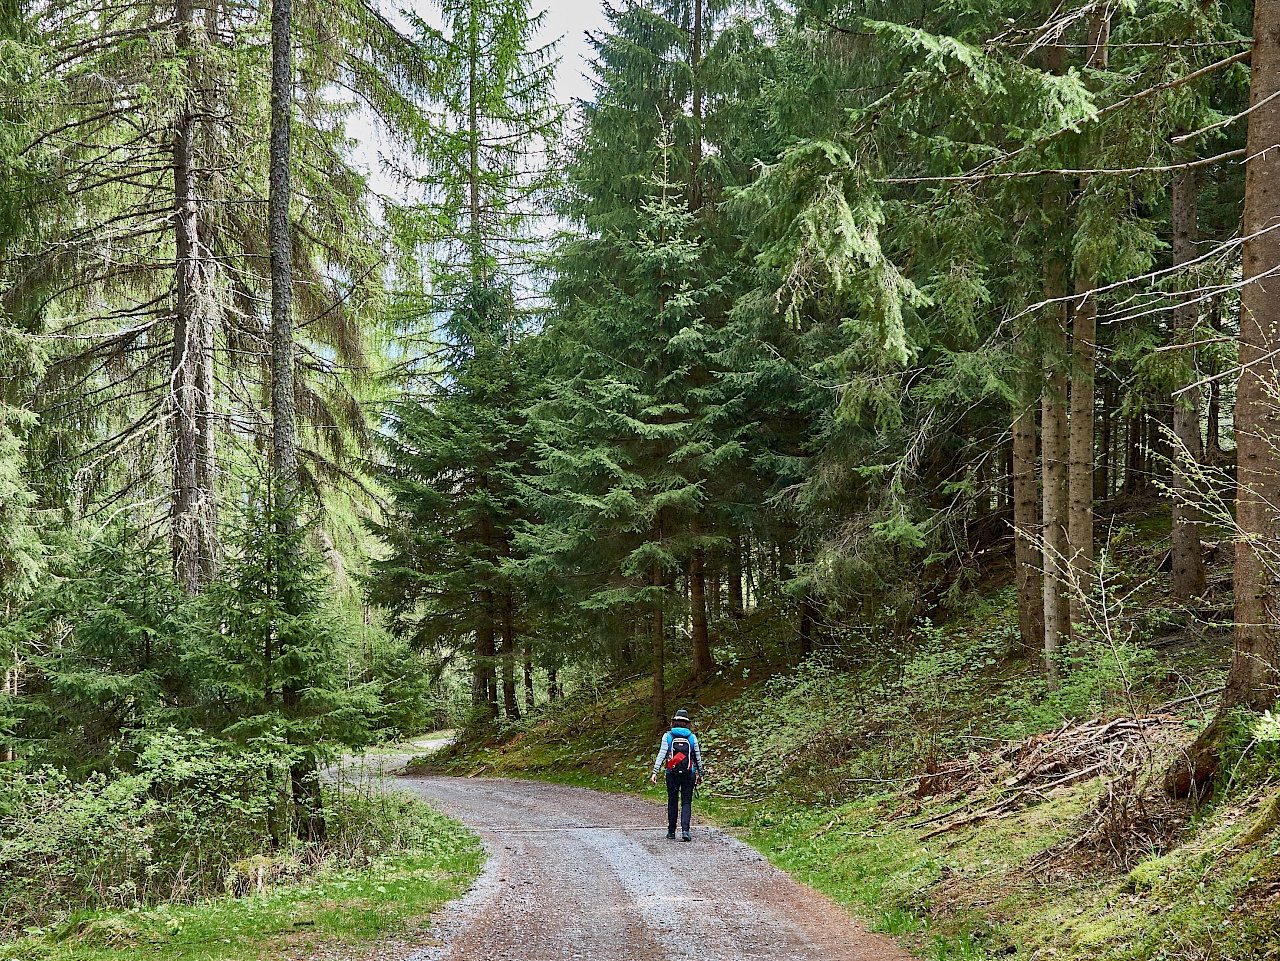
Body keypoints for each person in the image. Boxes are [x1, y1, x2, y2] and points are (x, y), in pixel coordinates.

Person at [650, 708, 703, 841]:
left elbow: (661, 755)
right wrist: (700, 774)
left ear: (674, 722)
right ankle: (685, 830)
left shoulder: (667, 736)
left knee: (672, 801)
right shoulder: (692, 737)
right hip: (688, 773)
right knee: (686, 802)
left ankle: (671, 831)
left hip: (671, 773)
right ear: (687, 723)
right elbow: (697, 757)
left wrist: (655, 772)